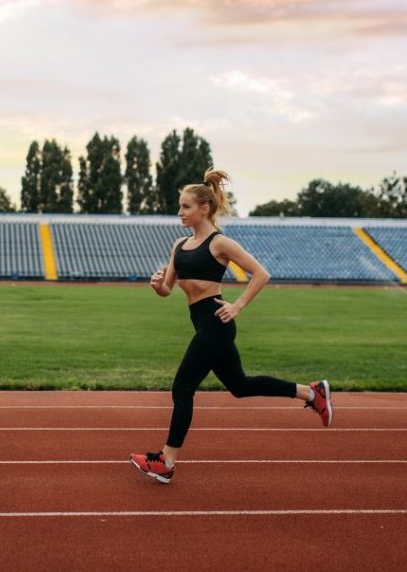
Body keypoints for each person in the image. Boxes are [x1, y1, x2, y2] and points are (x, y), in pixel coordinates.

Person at [130, 168, 332, 484]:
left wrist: (237, 305)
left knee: (182, 387)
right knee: (240, 385)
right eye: (180, 206)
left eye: (186, 206)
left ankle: (167, 461)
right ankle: (311, 393)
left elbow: (261, 274)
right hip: (202, 324)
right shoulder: (179, 245)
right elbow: (168, 289)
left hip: (216, 322)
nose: (180, 212)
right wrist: (157, 285)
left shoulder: (219, 243)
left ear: (204, 209)